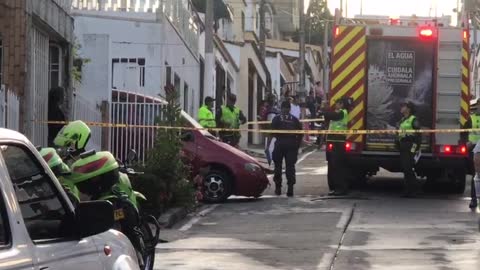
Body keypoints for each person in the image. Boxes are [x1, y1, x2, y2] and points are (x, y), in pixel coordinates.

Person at [318, 97, 351, 196]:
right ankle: (335, 188)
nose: (335, 105)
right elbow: (330, 119)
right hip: (333, 141)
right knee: (333, 166)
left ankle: (341, 188)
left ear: (341, 104)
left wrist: (323, 113)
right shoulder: (337, 113)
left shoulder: (343, 112)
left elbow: (334, 116)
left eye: (337, 103)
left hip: (339, 142)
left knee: (338, 166)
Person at [270, 101, 303, 197]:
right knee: (288, 167)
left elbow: (271, 133)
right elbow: (300, 134)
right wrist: (297, 145)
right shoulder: (294, 120)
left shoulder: (277, 119)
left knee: (280, 167)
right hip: (290, 144)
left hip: (281, 144)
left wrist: (269, 146)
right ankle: (287, 188)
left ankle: (280, 188)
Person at [396, 102, 422, 197]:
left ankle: (414, 189)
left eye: (403, 106)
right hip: (403, 146)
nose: (401, 108)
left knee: (408, 169)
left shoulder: (413, 119)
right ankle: (409, 190)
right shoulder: (403, 120)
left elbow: (418, 136)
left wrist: (414, 149)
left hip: (410, 146)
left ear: (408, 109)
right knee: (406, 169)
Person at [461, 100, 480, 208]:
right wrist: (466, 143)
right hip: (474, 150)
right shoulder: (471, 118)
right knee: (476, 175)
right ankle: (474, 199)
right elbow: (463, 133)